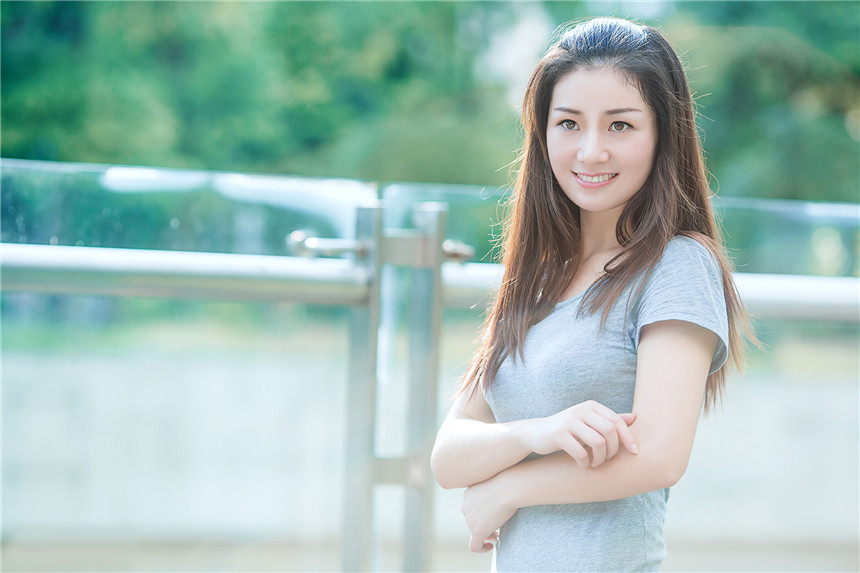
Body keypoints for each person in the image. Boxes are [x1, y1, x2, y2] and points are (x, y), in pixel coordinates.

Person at [430, 16, 754, 572]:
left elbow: (657, 456)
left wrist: (509, 489)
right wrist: (540, 431)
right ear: (543, 133)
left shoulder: (677, 265)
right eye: (569, 123)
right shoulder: (535, 277)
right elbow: (448, 456)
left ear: (663, 135)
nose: (591, 150)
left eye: (621, 126)